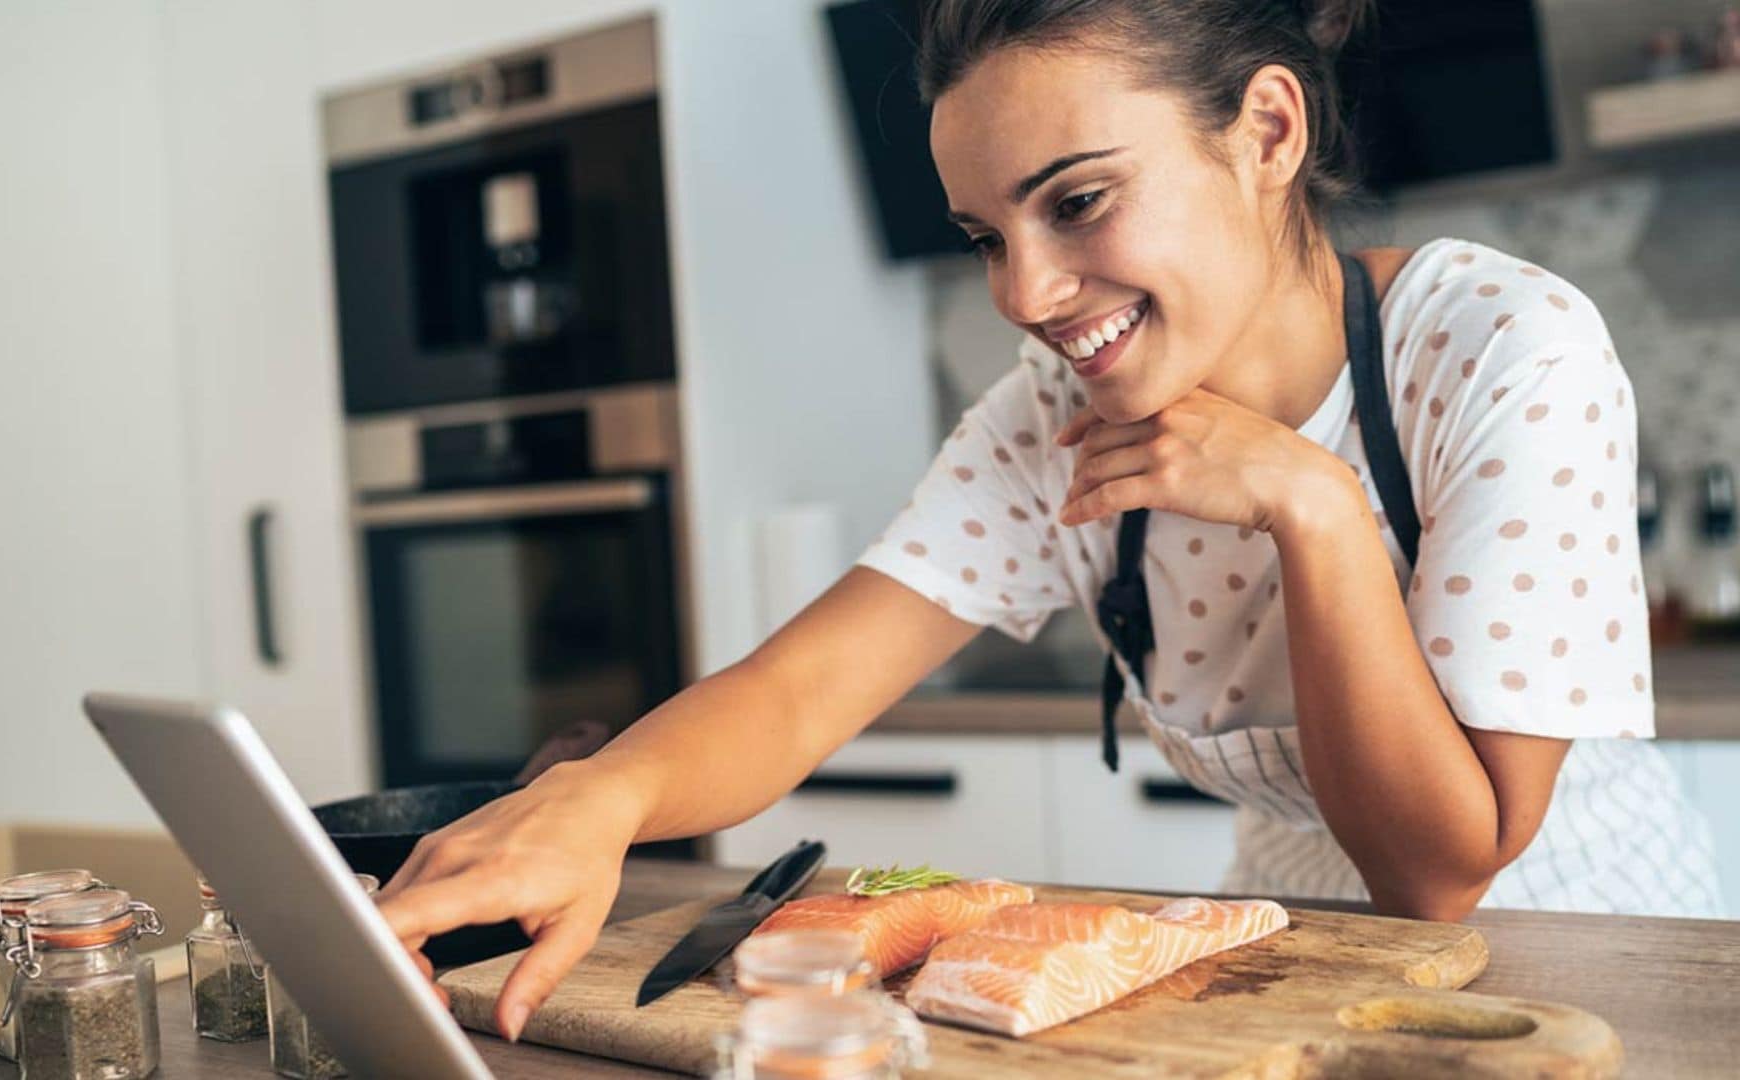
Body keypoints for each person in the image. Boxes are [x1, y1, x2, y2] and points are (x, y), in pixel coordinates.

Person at [377, 0, 1725, 1041]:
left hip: (1593, 973)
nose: (1024, 293)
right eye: (983, 235)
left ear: (1267, 131)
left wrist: (1309, 506)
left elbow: (1443, 869)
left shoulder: (1499, 347)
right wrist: (595, 800)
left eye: (1076, 202)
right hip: (1293, 967)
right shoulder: (1049, 413)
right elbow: (796, 696)